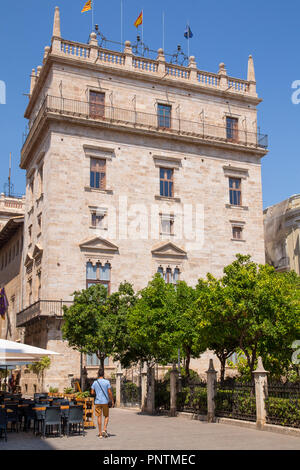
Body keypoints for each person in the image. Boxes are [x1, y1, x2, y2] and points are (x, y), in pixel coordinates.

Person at [91, 367, 114, 439]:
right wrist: (112, 400)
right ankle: (104, 429)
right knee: (106, 416)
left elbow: (92, 392)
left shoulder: (95, 382)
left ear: (98, 374)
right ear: (103, 374)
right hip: (105, 402)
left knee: (99, 417)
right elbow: (109, 392)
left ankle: (100, 433)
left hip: (97, 402)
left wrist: (97, 393)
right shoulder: (107, 382)